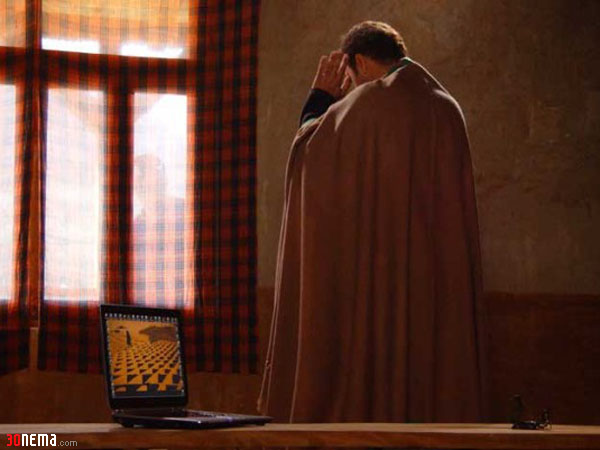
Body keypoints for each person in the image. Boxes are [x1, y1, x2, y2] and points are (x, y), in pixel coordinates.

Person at [258, 21, 487, 423]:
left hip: (374, 282)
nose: (349, 88)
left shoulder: (368, 105)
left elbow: (309, 155)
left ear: (360, 62)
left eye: (349, 78)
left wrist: (319, 100)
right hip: (430, 289)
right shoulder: (446, 107)